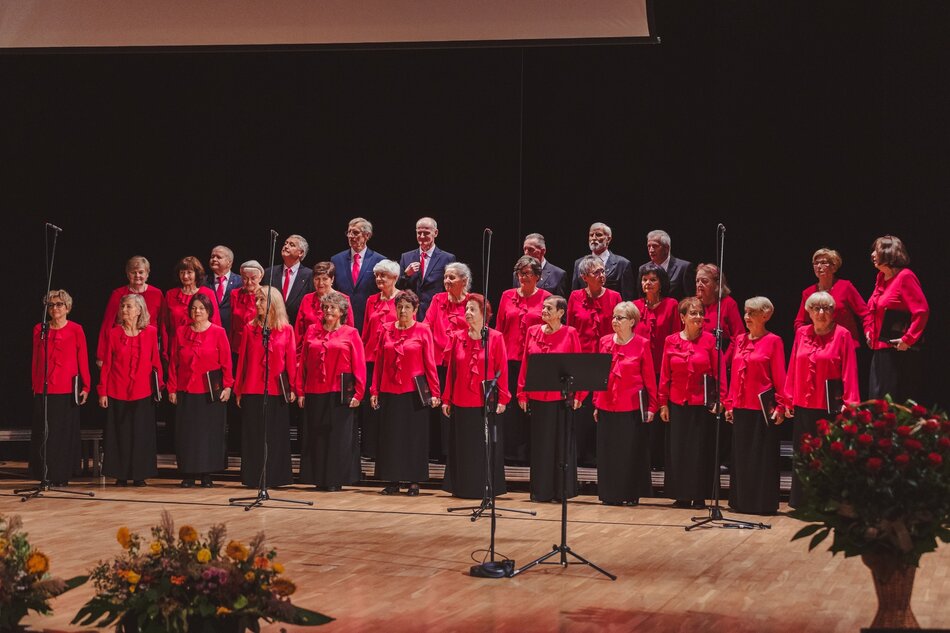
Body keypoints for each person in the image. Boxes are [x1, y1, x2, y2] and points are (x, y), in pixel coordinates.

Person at [784, 291, 860, 508]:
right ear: (808, 311)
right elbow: (793, 367)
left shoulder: (842, 334)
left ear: (833, 311)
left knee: (827, 456)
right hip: (803, 404)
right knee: (803, 453)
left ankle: (826, 501)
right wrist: (788, 398)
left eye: (826, 308)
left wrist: (850, 402)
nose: (821, 312)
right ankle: (802, 500)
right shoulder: (801, 333)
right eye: (816, 308)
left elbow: (849, 370)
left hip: (829, 407)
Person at [370, 291, 441, 496]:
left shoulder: (422, 331)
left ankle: (413, 481)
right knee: (391, 437)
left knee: (413, 438)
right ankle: (392, 480)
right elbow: (379, 363)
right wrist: (374, 389)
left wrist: (435, 392)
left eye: (407, 307)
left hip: (414, 393)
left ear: (415, 310)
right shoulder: (386, 330)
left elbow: (430, 363)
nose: (402, 311)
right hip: (390, 390)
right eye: (399, 307)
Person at [658, 297, 726, 509]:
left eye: (700, 313)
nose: (698, 317)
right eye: (693, 313)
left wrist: (721, 400)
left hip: (702, 405)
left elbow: (720, 373)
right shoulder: (671, 341)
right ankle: (681, 494)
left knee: (700, 452)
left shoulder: (710, 341)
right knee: (679, 452)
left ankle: (699, 496)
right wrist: (663, 403)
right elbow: (665, 374)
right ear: (682, 317)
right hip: (678, 403)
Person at [517, 295, 585, 502]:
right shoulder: (532, 332)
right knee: (540, 446)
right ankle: (541, 491)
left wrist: (579, 395)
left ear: (561, 313)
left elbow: (577, 366)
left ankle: (560, 491)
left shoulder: (570, 333)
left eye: (549, 308)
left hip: (561, 398)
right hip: (538, 396)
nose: (544, 311)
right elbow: (525, 364)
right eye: (543, 307)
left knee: (560, 446)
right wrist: (522, 392)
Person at [441, 294, 510, 498]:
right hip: (461, 400)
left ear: (484, 314)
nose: (468, 313)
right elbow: (451, 371)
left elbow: (502, 369)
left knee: (484, 447)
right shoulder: (457, 337)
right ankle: (463, 487)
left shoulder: (495, 337)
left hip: (484, 401)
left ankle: (486, 487)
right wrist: (447, 398)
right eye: (466, 309)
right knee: (463, 447)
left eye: (472, 309)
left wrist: (503, 398)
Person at [724, 297, 787, 515]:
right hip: (741, 408)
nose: (746, 317)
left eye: (752, 313)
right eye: (745, 312)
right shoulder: (740, 340)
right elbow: (733, 376)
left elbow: (780, 376)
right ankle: (741, 502)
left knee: (761, 459)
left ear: (766, 315)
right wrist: (730, 404)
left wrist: (781, 406)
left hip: (762, 410)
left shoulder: (774, 341)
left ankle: (761, 504)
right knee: (741, 458)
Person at [296, 291, 365, 491]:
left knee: (338, 438)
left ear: (342, 311)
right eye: (325, 307)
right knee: (316, 436)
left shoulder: (351, 333)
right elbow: (303, 365)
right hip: (315, 390)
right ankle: (319, 478)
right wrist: (300, 391)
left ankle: (335, 479)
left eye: (332, 307)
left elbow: (359, 365)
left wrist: (358, 393)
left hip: (340, 392)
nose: (327, 311)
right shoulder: (311, 331)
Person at [593, 302, 657, 506]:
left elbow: (649, 378)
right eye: (613, 317)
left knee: (628, 452)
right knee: (607, 451)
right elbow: (599, 376)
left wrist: (652, 406)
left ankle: (629, 493)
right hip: (606, 404)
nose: (614, 321)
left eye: (619, 318)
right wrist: (596, 402)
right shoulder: (604, 342)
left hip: (630, 407)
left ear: (632, 321)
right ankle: (609, 494)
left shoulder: (642, 344)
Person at [233, 286, 296, 488]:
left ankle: (276, 477)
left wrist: (294, 388)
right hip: (252, 388)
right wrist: (239, 388)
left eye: (261, 300)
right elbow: (243, 359)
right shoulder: (249, 328)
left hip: (276, 390)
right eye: (256, 300)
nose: (257, 304)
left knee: (276, 435)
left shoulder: (286, 330)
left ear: (273, 303)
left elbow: (290, 361)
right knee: (254, 435)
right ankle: (254, 477)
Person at [167, 293, 232, 488]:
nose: (197, 312)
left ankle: (206, 474)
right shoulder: (181, 332)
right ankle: (188, 473)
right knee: (187, 435)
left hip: (210, 392)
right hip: (186, 390)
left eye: (201, 308)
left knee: (208, 435)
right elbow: (173, 363)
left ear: (209, 311)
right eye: (194, 308)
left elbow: (227, 363)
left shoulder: (218, 332)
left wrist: (228, 386)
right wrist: (171, 388)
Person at [97, 294, 162, 486]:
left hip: (143, 391)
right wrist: (102, 391)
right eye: (123, 306)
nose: (124, 310)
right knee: (120, 434)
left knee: (141, 434)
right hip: (117, 390)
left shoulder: (150, 332)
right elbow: (107, 364)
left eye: (129, 307)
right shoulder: (114, 333)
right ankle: (121, 474)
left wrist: (159, 388)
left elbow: (156, 363)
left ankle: (140, 474)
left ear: (139, 310)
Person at [29, 289, 90, 486]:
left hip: (66, 389)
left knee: (63, 434)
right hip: (44, 389)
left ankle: (61, 475)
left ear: (68, 308)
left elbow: (83, 359)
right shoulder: (40, 329)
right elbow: (36, 360)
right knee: (44, 434)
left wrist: (86, 386)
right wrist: (34, 383)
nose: (55, 308)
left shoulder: (76, 329)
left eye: (59, 304)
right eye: (51, 305)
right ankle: (44, 474)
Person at [567, 254, 622, 466]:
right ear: (584, 277)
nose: (602, 275)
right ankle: (581, 457)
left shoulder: (615, 297)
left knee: (603, 408)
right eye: (596, 272)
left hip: (606, 360)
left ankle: (602, 456)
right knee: (581, 410)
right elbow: (571, 328)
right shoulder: (574, 297)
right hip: (581, 360)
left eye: (603, 271)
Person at [496, 255, 551, 465]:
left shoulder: (547, 297)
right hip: (510, 359)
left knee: (532, 408)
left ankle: (532, 454)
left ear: (537, 276)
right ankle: (511, 455)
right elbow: (499, 329)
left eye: (527, 273)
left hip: (535, 361)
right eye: (520, 273)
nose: (523, 277)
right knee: (510, 408)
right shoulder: (506, 296)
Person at [863, 235, 929, 402]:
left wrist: (908, 339)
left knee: (892, 403)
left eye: (876, 251)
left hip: (898, 352)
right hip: (879, 351)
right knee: (876, 402)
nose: (872, 255)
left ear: (888, 253)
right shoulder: (881, 278)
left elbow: (921, 311)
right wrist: (869, 332)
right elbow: (872, 308)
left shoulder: (905, 277)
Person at [634, 263, 682, 471]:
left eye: (652, 280)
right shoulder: (635, 306)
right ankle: (643, 458)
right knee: (643, 413)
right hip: (640, 369)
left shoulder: (672, 305)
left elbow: (675, 337)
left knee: (661, 414)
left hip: (662, 367)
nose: (648, 283)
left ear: (661, 283)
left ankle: (660, 459)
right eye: (645, 279)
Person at [422, 261, 472, 459]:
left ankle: (454, 450)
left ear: (464, 280)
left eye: (452, 277)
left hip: (461, 362)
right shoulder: (437, 299)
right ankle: (436, 451)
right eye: (445, 277)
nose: (447, 281)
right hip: (437, 361)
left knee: (457, 405)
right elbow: (426, 325)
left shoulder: (473, 301)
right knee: (435, 406)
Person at [359, 259, 401, 458]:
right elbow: (366, 331)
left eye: (383, 275)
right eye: (377, 275)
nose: (379, 279)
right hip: (371, 357)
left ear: (395, 277)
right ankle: (371, 448)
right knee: (371, 403)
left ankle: (389, 447)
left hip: (394, 359)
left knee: (390, 404)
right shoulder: (371, 300)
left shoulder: (404, 299)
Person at [792, 248, 868, 349]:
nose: (819, 267)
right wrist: (809, 338)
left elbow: (865, 313)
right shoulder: (808, 293)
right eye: (816, 263)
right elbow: (799, 323)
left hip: (844, 345)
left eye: (823, 262)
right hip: (817, 347)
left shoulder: (845, 287)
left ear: (834, 267)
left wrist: (869, 332)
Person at [97, 256, 165, 367]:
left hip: (147, 344)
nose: (137, 276)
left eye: (141, 272)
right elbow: (107, 324)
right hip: (122, 344)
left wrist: (163, 353)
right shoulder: (118, 294)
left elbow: (163, 325)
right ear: (128, 274)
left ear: (147, 274)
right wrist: (101, 355)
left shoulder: (157, 294)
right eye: (133, 272)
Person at [332, 217, 388, 333]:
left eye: (355, 232)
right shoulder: (336, 260)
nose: (351, 236)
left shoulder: (380, 261)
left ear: (367, 236)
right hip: (342, 320)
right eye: (349, 232)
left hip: (369, 319)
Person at [397, 217, 457, 320]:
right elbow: (398, 287)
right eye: (419, 233)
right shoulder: (406, 257)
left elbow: (451, 288)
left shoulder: (447, 258)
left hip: (436, 312)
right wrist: (406, 275)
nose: (422, 236)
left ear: (436, 233)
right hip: (410, 314)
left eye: (426, 233)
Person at [164, 256, 221, 359]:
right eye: (182, 272)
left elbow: (216, 323)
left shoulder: (208, 293)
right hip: (177, 350)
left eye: (189, 272)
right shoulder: (170, 295)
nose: (185, 276)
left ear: (197, 273)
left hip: (203, 349)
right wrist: (164, 351)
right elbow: (165, 326)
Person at [294, 261, 355, 355]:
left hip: (336, 352)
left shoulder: (344, 299)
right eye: (317, 279)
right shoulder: (307, 299)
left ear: (332, 279)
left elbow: (349, 331)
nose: (320, 283)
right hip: (311, 352)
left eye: (325, 279)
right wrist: (298, 357)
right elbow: (299, 331)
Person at [570, 222, 635, 301]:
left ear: (608, 239)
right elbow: (575, 295)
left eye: (598, 235)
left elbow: (627, 299)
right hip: (585, 310)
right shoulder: (579, 263)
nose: (594, 238)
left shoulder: (622, 264)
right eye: (591, 235)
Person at [264, 234, 314, 326]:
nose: (286, 246)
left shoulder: (309, 275)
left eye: (292, 245)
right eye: (285, 243)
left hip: (297, 328)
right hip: (272, 326)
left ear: (301, 253)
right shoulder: (269, 272)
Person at [695, 263, 744, 355]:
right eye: (697, 281)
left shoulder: (728, 303)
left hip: (722, 359)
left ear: (717, 284)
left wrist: (724, 362)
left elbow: (738, 337)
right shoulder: (693, 303)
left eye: (704, 281)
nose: (699, 284)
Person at [638, 230, 696, 301]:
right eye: (649, 246)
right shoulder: (643, 268)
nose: (651, 250)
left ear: (666, 248)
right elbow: (642, 296)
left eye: (655, 246)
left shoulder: (684, 267)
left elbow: (690, 299)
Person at [512, 233, 569, 298]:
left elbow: (560, 304)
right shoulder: (518, 273)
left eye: (531, 249)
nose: (526, 253)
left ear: (542, 251)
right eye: (525, 249)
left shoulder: (558, 274)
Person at [228, 260, 264, 359]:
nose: (249, 282)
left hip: (257, 345)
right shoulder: (234, 294)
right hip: (237, 346)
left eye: (253, 278)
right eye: (244, 278)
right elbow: (231, 323)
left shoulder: (266, 294)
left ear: (260, 277)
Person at [205, 245, 242, 335]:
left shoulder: (240, 281)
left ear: (229, 262)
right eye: (212, 256)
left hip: (232, 333)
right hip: (209, 331)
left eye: (218, 257)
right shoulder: (203, 281)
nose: (214, 259)